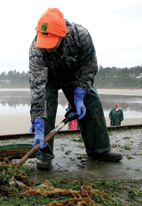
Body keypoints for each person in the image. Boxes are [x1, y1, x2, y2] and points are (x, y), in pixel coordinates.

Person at [29, 8, 122, 170]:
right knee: (46, 108)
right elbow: (37, 85)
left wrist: (80, 94)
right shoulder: (36, 48)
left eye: (51, 41)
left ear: (62, 33)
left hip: (75, 76)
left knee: (91, 101)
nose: (48, 47)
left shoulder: (81, 36)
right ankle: (44, 155)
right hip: (48, 80)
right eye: (45, 41)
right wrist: (37, 118)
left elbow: (89, 66)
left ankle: (99, 150)